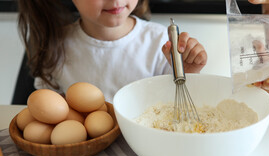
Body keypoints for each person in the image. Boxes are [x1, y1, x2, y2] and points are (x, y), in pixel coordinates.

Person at [17, 0, 207, 103]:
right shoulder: (54, 47)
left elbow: (178, 109)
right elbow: (48, 111)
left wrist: (188, 73)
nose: (116, 1)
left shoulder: (161, 42)